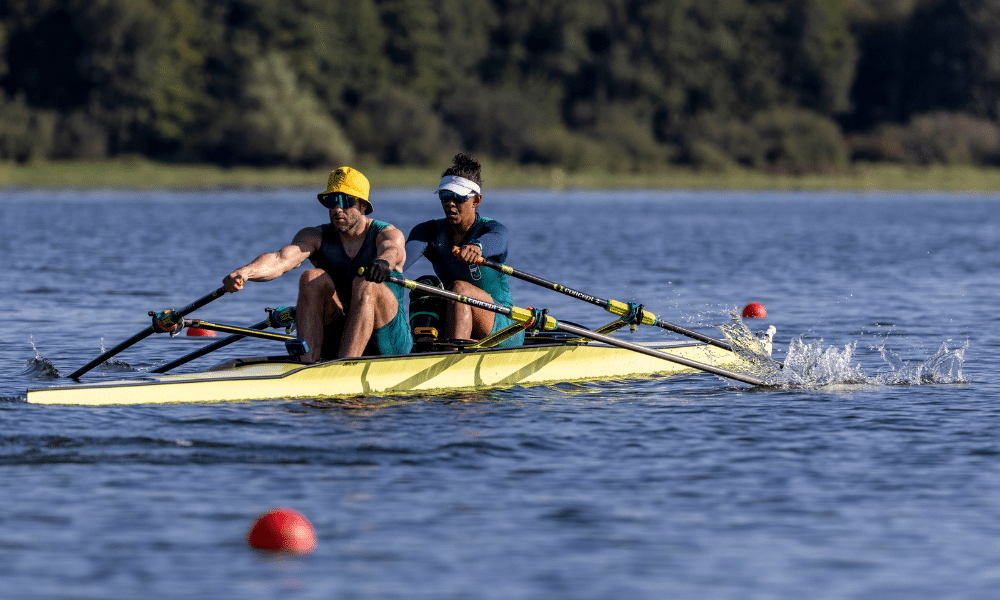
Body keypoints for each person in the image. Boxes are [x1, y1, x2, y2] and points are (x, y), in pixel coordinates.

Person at [222, 166, 412, 362]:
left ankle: (344, 367)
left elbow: (393, 250)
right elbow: (280, 259)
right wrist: (244, 273)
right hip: (341, 334)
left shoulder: (387, 233)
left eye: (345, 201)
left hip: (388, 340)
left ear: (363, 205)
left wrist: (383, 263)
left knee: (366, 283)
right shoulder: (315, 236)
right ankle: (308, 362)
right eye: (331, 201)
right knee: (310, 278)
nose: (337, 209)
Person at [405, 153, 523, 347]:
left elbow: (498, 241)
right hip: (456, 314)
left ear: (476, 200)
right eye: (444, 196)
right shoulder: (427, 231)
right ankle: (423, 348)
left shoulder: (492, 229)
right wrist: (383, 266)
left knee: (459, 289)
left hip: (503, 325)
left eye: (457, 197)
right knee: (425, 284)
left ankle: (451, 354)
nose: (450, 203)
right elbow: (399, 263)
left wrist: (478, 247)